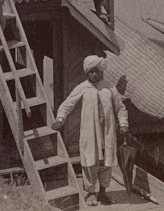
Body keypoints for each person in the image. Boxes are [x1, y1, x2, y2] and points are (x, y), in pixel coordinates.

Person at [51, 55, 129, 206]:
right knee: (90, 162)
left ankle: (103, 193)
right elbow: (67, 105)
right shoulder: (82, 88)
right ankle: (91, 193)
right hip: (90, 132)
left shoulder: (109, 88)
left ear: (101, 72)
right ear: (87, 72)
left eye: (97, 71)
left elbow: (120, 108)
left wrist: (123, 123)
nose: (95, 74)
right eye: (91, 71)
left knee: (106, 163)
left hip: (107, 132)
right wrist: (60, 119)